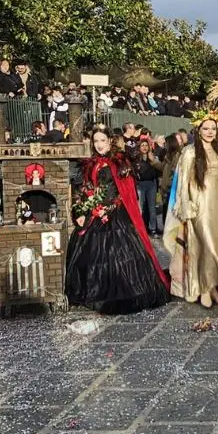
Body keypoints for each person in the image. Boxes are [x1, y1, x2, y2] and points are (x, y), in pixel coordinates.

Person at [64, 127, 169, 314]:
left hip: (116, 214)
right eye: (96, 141)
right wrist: (84, 209)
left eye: (102, 141)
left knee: (118, 254)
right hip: (95, 213)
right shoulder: (92, 163)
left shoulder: (119, 162)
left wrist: (110, 207)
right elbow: (87, 188)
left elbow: (126, 191)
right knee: (89, 252)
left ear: (110, 141)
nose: (99, 145)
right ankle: (94, 291)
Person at [164, 111, 218, 308]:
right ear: (198, 130)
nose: (210, 132)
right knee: (205, 245)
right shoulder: (189, 152)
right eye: (206, 128)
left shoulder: (216, 150)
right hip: (199, 204)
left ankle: (213, 289)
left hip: (217, 204)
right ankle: (202, 288)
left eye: (213, 128)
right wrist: (186, 204)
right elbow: (183, 182)